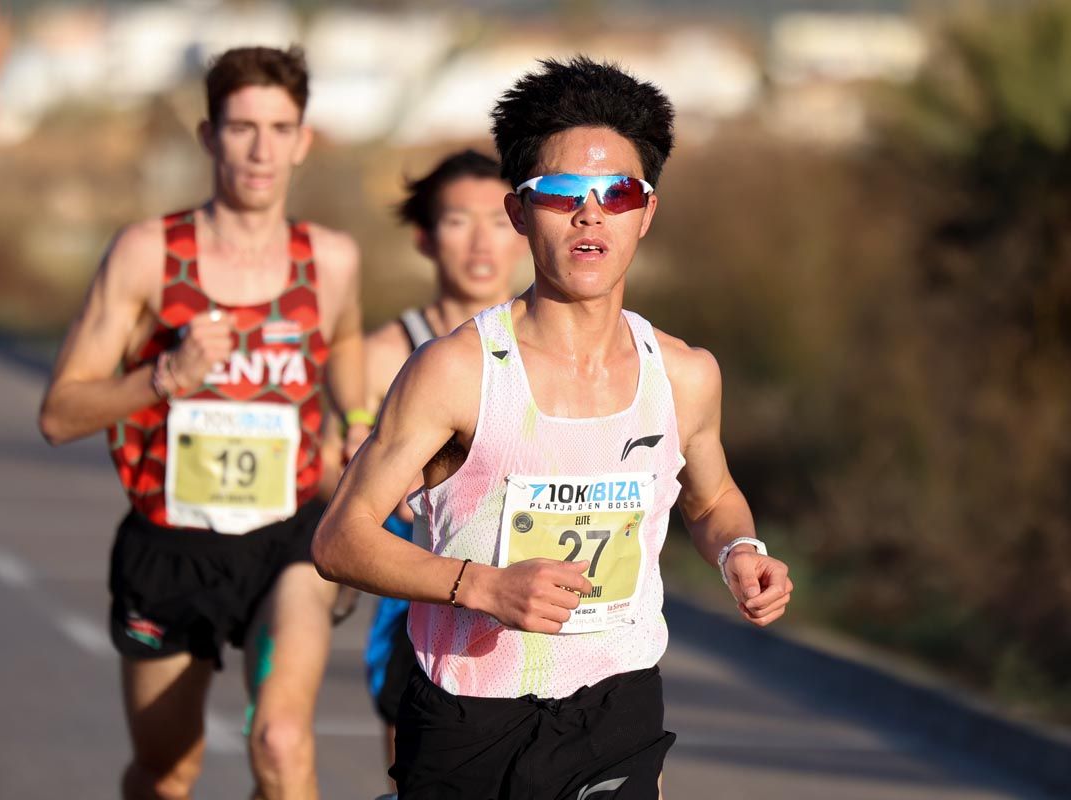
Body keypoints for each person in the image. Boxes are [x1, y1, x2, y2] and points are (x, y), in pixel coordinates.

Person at [313, 56, 792, 800]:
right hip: (471, 713)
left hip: (616, 704)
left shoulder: (686, 374)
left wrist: (740, 549)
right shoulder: (456, 371)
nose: (591, 212)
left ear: (647, 213)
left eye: (619, 192)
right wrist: (485, 588)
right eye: (563, 192)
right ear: (518, 214)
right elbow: (340, 540)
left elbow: (709, 498)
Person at [38, 45, 368, 800]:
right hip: (170, 542)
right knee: (167, 771)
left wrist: (354, 416)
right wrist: (164, 377)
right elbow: (58, 415)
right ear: (208, 136)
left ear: (303, 141)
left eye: (279, 128)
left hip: (288, 536)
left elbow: (345, 337)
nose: (261, 150)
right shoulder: (148, 254)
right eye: (243, 127)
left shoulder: (332, 260)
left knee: (282, 744)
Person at [357, 149, 528, 785]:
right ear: (426, 238)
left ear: (523, 222)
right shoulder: (384, 355)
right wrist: (366, 480)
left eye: (496, 218)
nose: (482, 241)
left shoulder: (563, 352)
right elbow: (325, 476)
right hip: (417, 610)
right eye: (459, 221)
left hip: (539, 600)